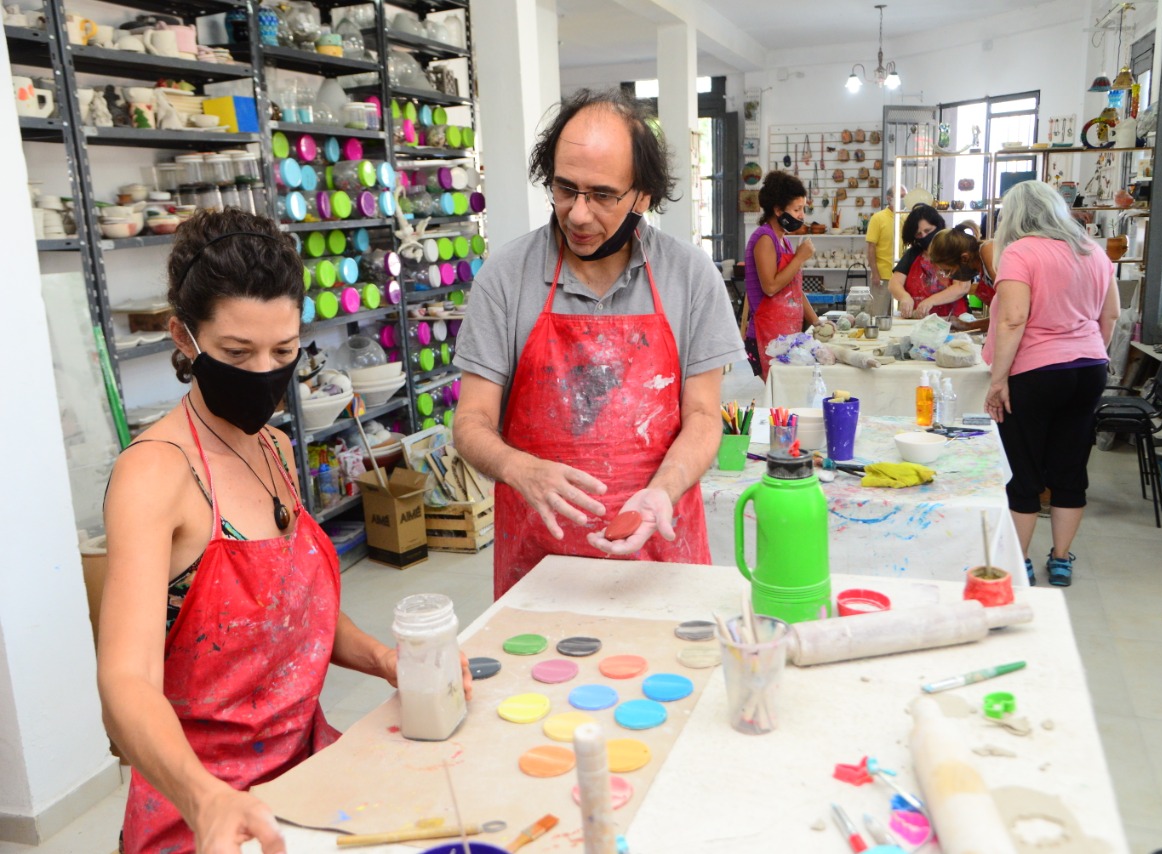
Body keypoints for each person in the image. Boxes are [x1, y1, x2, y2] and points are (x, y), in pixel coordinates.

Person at [98, 210, 472, 854]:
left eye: (284, 351)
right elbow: (125, 683)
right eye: (236, 353)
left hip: (304, 785)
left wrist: (386, 660)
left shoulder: (271, 448)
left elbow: (294, 611)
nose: (263, 373)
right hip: (204, 812)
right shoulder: (155, 474)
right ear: (183, 338)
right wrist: (205, 798)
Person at [453, 89, 745, 598]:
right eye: (565, 189)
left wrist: (663, 491)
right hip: (540, 569)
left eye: (603, 195)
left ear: (643, 196)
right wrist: (518, 468)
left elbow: (702, 416)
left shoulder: (689, 276)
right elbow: (471, 421)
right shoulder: (506, 277)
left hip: (660, 558)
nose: (579, 215)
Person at [982, 181, 1121, 587]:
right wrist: (1088, 351)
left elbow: (1013, 320)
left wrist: (998, 380)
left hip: (1036, 372)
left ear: (1013, 217)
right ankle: (1061, 560)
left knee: (1023, 471)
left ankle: (1019, 561)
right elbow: (1111, 315)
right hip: (1089, 369)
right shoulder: (1092, 250)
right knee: (1069, 467)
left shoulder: (1020, 252)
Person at [743, 170, 820, 379]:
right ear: (778, 210)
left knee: (790, 392)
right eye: (797, 209)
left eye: (803, 209)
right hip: (765, 336)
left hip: (784, 333)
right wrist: (799, 258)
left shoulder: (783, 240)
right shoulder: (765, 239)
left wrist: (816, 322)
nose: (802, 216)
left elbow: (793, 290)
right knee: (781, 393)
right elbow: (770, 287)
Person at [888, 204, 971, 319]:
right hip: (919, 320)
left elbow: (962, 287)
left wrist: (931, 301)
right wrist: (904, 297)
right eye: (919, 234)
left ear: (938, 227)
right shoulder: (913, 253)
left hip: (953, 319)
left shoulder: (955, 249)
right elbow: (894, 283)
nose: (924, 236)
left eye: (928, 231)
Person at [928, 219, 998, 331]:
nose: (951, 276)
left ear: (964, 258)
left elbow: (1012, 312)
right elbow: (1002, 316)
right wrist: (967, 325)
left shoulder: (989, 253)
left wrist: (968, 326)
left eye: (949, 271)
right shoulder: (983, 268)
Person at [863, 192, 899, 316]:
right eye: (900, 195)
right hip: (882, 276)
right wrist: (875, 273)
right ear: (889, 198)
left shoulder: (904, 217)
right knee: (877, 315)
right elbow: (871, 247)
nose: (903, 199)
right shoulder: (878, 218)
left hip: (900, 277)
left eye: (904, 196)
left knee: (898, 317)